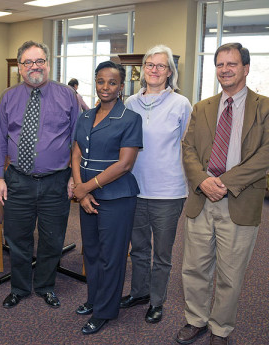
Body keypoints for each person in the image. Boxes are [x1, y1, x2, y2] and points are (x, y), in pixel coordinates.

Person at [176, 43, 269, 345]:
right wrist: (203, 181)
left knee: (230, 275)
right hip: (201, 200)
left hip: (239, 202)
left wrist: (225, 182)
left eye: (231, 64)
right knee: (194, 268)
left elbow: (265, 154)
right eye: (220, 64)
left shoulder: (264, 107)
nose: (225, 69)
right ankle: (196, 320)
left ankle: (220, 329)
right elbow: (187, 149)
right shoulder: (202, 107)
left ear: (245, 67)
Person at [0, 40, 79, 309]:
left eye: (40, 61)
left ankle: (45, 286)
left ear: (48, 64)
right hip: (18, 180)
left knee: (52, 239)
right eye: (28, 62)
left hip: (57, 181)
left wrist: (75, 177)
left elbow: (78, 140)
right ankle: (19, 288)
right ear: (19, 67)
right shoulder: (8, 97)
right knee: (17, 239)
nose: (34, 67)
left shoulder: (68, 96)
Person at [120, 45, 192, 323]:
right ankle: (139, 292)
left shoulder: (181, 104)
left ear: (170, 72)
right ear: (142, 69)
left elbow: (188, 146)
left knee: (162, 253)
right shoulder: (130, 103)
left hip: (169, 191)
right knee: (138, 248)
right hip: (135, 188)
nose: (154, 70)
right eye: (150, 64)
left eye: (161, 66)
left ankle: (157, 301)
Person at [72, 60, 142, 335]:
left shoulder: (129, 118)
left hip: (117, 198)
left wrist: (86, 187)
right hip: (86, 195)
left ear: (121, 87)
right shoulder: (85, 116)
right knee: (91, 252)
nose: (105, 87)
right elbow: (76, 153)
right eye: (101, 81)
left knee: (111, 256)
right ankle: (93, 299)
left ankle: (104, 311)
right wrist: (80, 189)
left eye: (112, 83)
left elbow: (125, 164)